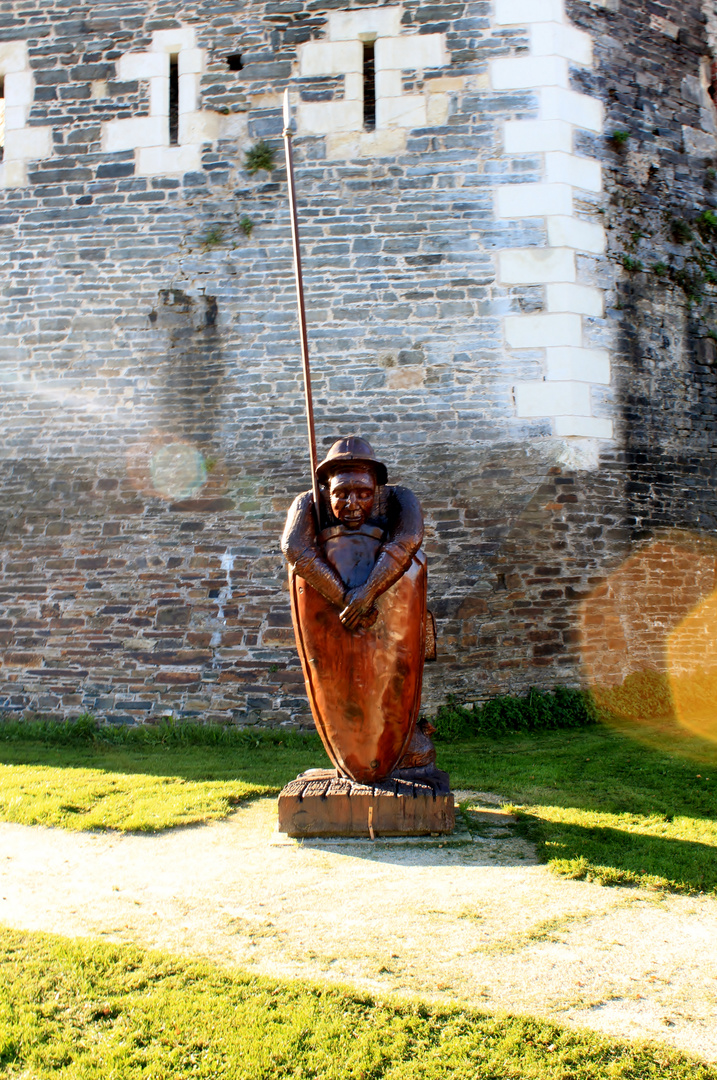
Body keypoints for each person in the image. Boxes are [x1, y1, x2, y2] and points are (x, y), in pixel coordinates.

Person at [281, 436, 424, 631]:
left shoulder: (399, 497)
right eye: (340, 494)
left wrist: (367, 592)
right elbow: (294, 547)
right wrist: (349, 602)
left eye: (364, 494)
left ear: (376, 489)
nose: (352, 504)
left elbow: (408, 540)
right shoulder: (308, 501)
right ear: (327, 491)